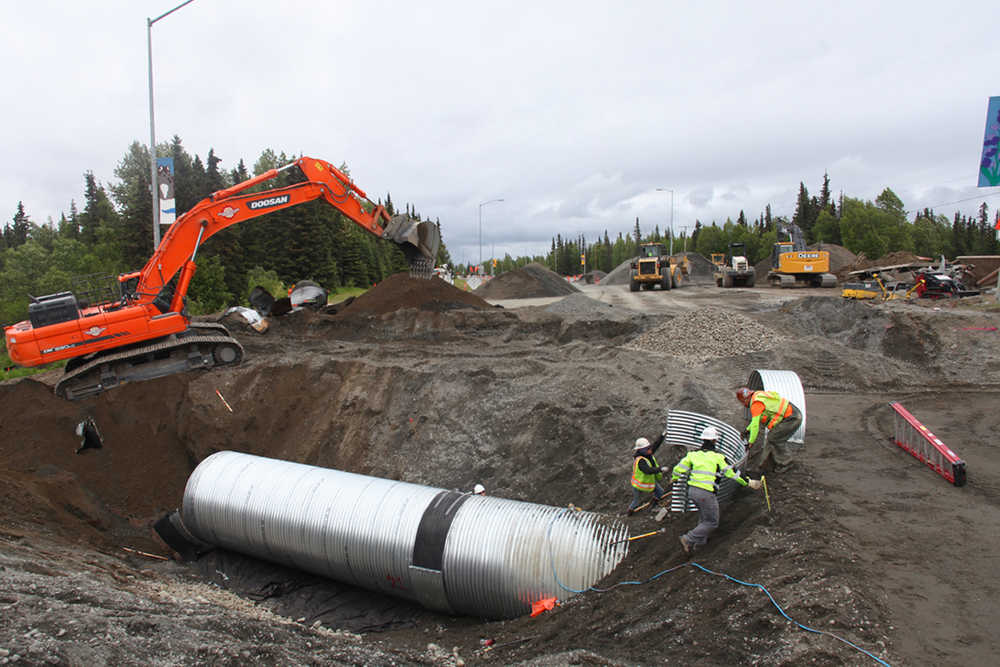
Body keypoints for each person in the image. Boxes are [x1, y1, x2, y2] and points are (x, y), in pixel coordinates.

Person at [672, 426, 761, 554]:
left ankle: (700, 544)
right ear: (715, 441)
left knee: (704, 517)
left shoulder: (693, 455)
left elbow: (677, 469)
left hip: (692, 491)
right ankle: (688, 539)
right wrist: (748, 482)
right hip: (706, 493)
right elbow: (732, 473)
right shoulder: (718, 457)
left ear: (703, 440)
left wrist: (674, 479)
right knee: (712, 522)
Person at [736, 386, 803, 474]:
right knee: (773, 438)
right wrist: (747, 430)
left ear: (745, 400)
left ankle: (786, 462)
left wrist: (751, 442)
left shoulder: (756, 405)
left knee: (774, 438)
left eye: (742, 402)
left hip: (791, 418)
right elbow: (756, 421)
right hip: (792, 413)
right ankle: (772, 461)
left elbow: (755, 425)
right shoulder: (758, 395)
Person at [627, 431, 668, 515]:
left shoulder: (647, 453)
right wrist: (660, 469)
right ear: (641, 450)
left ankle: (654, 503)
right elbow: (647, 470)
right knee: (636, 501)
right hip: (639, 484)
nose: (650, 450)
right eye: (648, 448)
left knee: (660, 492)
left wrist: (662, 436)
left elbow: (656, 445)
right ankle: (629, 513)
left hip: (648, 481)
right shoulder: (640, 461)